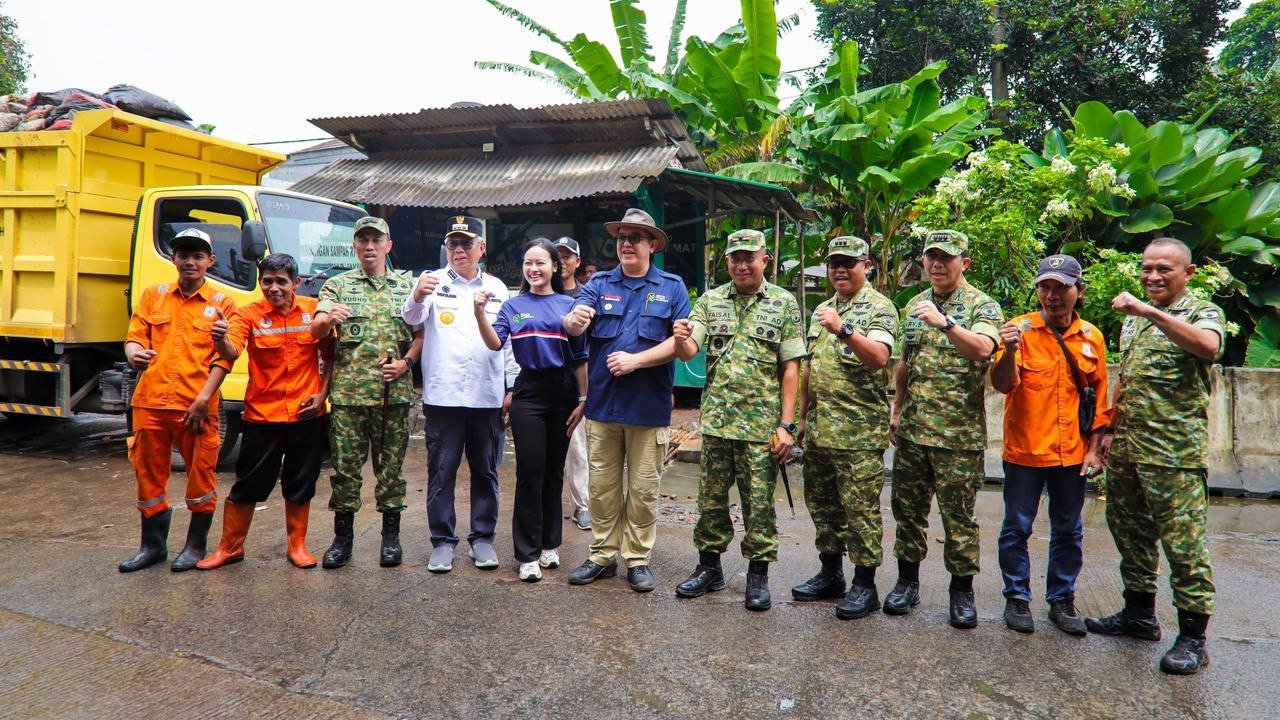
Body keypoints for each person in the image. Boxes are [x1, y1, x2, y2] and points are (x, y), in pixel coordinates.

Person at [1086, 237, 1223, 676]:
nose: (1153, 276)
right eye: (1147, 268)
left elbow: (1208, 347)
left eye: (1164, 269)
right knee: (1131, 534)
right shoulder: (1133, 322)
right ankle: (1139, 615)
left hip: (1174, 454)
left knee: (1184, 546)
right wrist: (1110, 430)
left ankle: (1193, 638)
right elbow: (1127, 376)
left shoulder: (1200, 311)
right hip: (1129, 448)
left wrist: (1149, 312)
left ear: (1188, 273)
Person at [672, 228, 805, 611]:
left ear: (765, 260)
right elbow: (690, 349)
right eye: (735, 258)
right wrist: (680, 338)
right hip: (717, 424)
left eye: (749, 257)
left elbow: (791, 368)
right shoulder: (710, 301)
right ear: (727, 261)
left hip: (761, 429)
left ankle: (757, 575)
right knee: (711, 502)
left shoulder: (783, 303)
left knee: (758, 505)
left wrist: (787, 426)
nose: (742, 264)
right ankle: (709, 568)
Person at [563, 208, 690, 593]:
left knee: (643, 489)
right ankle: (603, 555)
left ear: (652, 244)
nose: (626, 244)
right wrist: (574, 322)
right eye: (621, 237)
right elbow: (572, 322)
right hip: (604, 407)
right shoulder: (599, 284)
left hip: (648, 408)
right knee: (602, 488)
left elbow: (680, 342)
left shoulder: (672, 287)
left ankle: (637, 559)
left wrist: (637, 360)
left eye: (635, 237)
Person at [989, 254, 1112, 635]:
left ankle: (1062, 599)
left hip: (1071, 453)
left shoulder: (1091, 337)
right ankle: (1017, 597)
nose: (1053, 295)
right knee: (1016, 528)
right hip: (1025, 450)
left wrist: (1094, 449)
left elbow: (1099, 399)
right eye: (1045, 287)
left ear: (1079, 291)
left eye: (1062, 288)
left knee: (1068, 530)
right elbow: (1002, 384)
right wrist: (1009, 349)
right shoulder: (1019, 329)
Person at [887, 229, 1003, 629]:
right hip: (914, 431)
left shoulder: (982, 306)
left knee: (958, 518)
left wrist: (945, 323)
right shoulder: (914, 305)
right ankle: (907, 582)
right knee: (908, 512)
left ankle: (961, 591)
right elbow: (905, 362)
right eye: (931, 257)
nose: (937, 264)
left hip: (958, 436)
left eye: (946, 258)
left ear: (964, 263)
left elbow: (984, 349)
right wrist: (897, 409)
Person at [198, 254, 333, 570]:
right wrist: (221, 339)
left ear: (295, 283)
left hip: (305, 416)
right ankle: (230, 548)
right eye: (267, 281)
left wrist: (322, 395)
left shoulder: (314, 311)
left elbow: (330, 356)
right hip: (262, 417)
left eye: (281, 281)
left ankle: (297, 547)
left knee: (301, 482)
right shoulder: (248, 314)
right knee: (248, 484)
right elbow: (232, 350)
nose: (274, 288)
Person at [401, 215, 518, 573]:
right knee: (441, 472)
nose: (459, 250)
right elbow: (411, 317)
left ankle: (482, 539)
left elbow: (508, 344)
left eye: (466, 243)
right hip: (444, 396)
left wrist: (511, 386)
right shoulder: (432, 282)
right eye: (453, 244)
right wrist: (416, 295)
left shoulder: (498, 289)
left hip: (486, 396)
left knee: (486, 471)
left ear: (482, 248)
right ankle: (442, 541)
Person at [790, 236, 898, 620]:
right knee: (823, 507)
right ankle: (831, 574)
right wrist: (803, 417)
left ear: (866, 266)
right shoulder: (822, 310)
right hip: (821, 431)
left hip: (858, 435)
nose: (840, 270)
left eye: (848, 263)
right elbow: (810, 366)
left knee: (861, 511)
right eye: (834, 263)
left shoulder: (880, 308)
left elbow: (880, 357)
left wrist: (844, 329)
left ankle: (865, 585)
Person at [119, 228, 236, 573]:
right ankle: (152, 547)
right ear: (173, 258)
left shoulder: (222, 303)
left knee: (201, 476)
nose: (190, 262)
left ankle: (195, 545)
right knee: (148, 475)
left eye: (198, 256)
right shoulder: (152, 296)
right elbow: (134, 338)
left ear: (210, 261)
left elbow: (227, 356)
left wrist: (203, 399)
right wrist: (134, 355)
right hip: (150, 402)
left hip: (195, 406)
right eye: (184, 255)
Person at [311, 216, 423, 569]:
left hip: (393, 396)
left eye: (376, 240)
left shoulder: (407, 287)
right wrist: (328, 320)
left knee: (391, 471)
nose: (370, 246)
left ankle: (391, 539)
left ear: (388, 245)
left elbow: (421, 334)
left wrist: (405, 363)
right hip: (349, 398)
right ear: (355, 246)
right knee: (345, 471)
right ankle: (342, 539)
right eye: (363, 240)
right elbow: (316, 330)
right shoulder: (337, 286)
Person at [475, 239, 588, 582]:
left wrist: (583, 401)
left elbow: (580, 358)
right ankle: (527, 554)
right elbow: (495, 343)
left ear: (555, 267)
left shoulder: (571, 305)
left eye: (540, 263)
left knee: (554, 471)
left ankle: (550, 544)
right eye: (528, 263)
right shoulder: (513, 306)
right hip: (529, 393)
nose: (533, 269)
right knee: (530, 470)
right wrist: (479, 313)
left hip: (564, 391)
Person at [553, 236, 591, 531]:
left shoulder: (587, 296)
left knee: (577, 446)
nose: (562, 261)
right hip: (545, 379)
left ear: (577, 262)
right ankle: (548, 506)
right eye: (557, 256)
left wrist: (585, 393)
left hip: (577, 379)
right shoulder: (539, 291)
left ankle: (582, 506)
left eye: (568, 256)